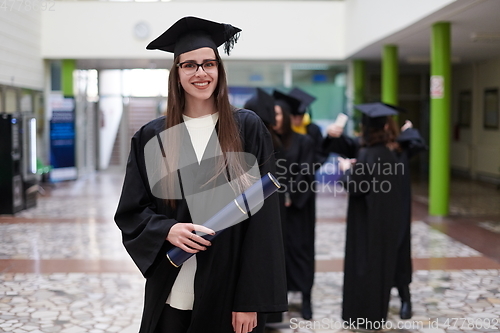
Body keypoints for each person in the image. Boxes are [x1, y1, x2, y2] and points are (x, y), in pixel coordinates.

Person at [114, 16, 287, 333]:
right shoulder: (152, 136)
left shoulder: (247, 128)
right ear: (176, 73)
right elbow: (131, 211)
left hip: (229, 286)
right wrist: (168, 230)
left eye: (209, 63)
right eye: (189, 65)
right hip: (170, 285)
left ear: (219, 70)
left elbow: (263, 223)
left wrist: (249, 300)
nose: (200, 73)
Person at [334, 106, 403, 329]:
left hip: (365, 221)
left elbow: (355, 187)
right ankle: (377, 316)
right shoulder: (390, 153)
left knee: (362, 266)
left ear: (365, 129)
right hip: (386, 221)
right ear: (384, 127)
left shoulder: (366, 154)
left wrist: (346, 168)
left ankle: (360, 316)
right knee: (380, 268)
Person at [273, 90, 315, 320]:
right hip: (276, 209)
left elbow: (307, 173)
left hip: (299, 209)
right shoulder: (269, 140)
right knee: (280, 253)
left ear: (287, 116)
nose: (275, 118)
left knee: (301, 251)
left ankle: (306, 297)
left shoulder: (304, 141)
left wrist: (290, 197)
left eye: (278, 114)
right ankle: (282, 297)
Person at [288, 87, 328, 168]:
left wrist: (310, 166)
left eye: (301, 117)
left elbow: (320, 153)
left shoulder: (313, 129)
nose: (298, 120)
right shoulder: (283, 129)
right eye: (294, 117)